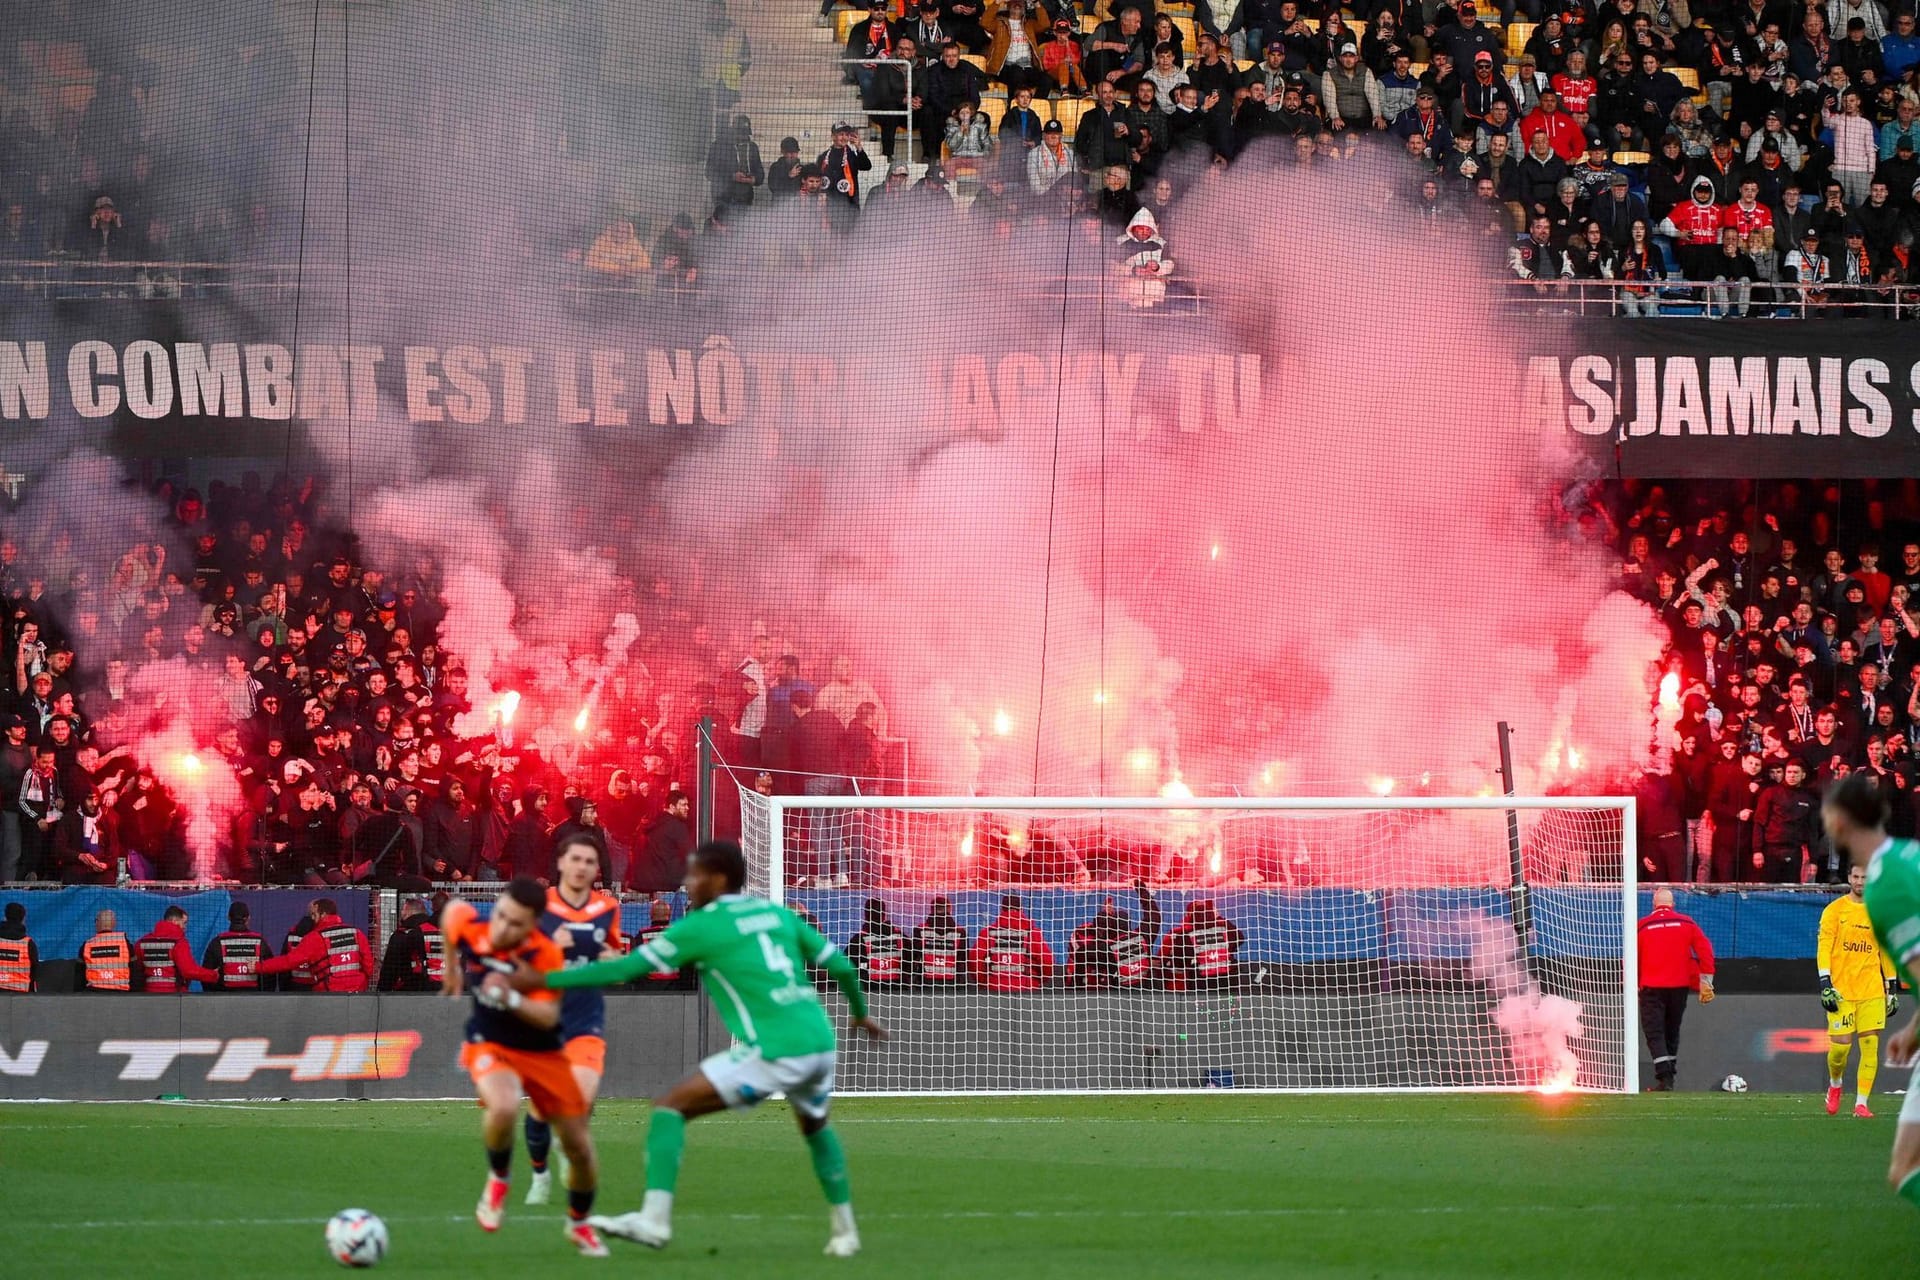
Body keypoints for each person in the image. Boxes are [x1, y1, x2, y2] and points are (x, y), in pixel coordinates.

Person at [509, 840, 886, 1257]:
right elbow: (842, 966)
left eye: (694, 875)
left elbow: (626, 968)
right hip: (820, 1042)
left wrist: (545, 981)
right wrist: (860, 1013)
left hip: (776, 1049)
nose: (687, 883)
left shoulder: (702, 926)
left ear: (718, 878)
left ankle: (653, 1220)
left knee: (669, 1108)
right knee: (816, 1129)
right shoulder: (777, 914)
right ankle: (845, 1231)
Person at [441, 878, 606, 1256]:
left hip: (543, 1052)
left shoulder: (544, 955)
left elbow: (548, 1017)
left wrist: (510, 995)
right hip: (491, 1042)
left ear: (532, 927)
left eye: (516, 924)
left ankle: (579, 1223)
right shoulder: (476, 928)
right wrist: (452, 966)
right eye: (501, 915)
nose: (503, 927)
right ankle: (499, 1180)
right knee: (503, 1106)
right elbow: (452, 912)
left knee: (580, 1149)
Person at [1823, 774, 1920, 1207]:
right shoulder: (1907, 854)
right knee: (1904, 1169)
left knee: (1904, 1170)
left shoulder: (1884, 888)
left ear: (1840, 821)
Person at [525, 834, 625, 1208]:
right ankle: (540, 1174)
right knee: (540, 1109)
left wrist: (613, 962)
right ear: (561, 863)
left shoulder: (606, 908)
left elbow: (615, 964)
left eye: (590, 861)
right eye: (576, 859)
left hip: (585, 1020)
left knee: (579, 1100)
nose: (583, 867)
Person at [1819, 860, 1900, 1117]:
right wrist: (1825, 984)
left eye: (1865, 878)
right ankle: (1835, 1085)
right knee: (1840, 1049)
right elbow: (1824, 948)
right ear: (1849, 878)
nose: (1860, 882)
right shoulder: (1834, 910)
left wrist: (1892, 987)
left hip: (1871, 990)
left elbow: (1885, 952)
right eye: (1856, 877)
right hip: (1842, 990)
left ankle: (1861, 1104)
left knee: (1870, 1045)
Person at [1635, 886, 1716, 1091]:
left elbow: (1630, 959)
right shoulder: (1687, 923)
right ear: (1673, 904)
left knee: (1655, 1032)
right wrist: (1706, 982)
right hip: (1679, 987)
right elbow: (1705, 950)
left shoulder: (1642, 926)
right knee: (1672, 1031)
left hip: (1651, 987)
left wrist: (1633, 986)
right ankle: (1668, 1076)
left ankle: (1665, 1077)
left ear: (1653, 905)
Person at [257, 897, 374, 991]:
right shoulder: (356, 933)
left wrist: (258, 966)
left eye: (314, 914)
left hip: (329, 993)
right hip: (357, 991)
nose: (312, 918)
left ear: (323, 914)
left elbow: (289, 961)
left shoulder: (316, 937)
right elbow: (368, 964)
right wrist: (362, 982)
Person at [1068, 881, 1161, 987]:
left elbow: (1081, 953)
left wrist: (1077, 983)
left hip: (1121, 995)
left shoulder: (1107, 948)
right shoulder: (1143, 936)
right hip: (1149, 993)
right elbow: (1154, 915)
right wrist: (1143, 891)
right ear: (1129, 923)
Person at [970, 892, 1054, 990]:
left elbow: (974, 960)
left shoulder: (987, 933)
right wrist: (1038, 980)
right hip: (1027, 990)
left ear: (1002, 909)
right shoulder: (1033, 934)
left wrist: (985, 982)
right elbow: (1047, 962)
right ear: (1021, 909)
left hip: (995, 988)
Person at [1157, 898, 1245, 989]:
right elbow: (1240, 939)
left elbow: (1179, 960)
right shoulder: (1224, 927)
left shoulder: (1187, 934)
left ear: (1189, 916)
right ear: (1212, 912)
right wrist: (1218, 917)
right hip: (1229, 981)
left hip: (1202, 985)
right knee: (1231, 1001)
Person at [1755, 759, 1818, 882]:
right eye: (1789, 772)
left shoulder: (1809, 799)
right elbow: (1759, 823)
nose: (1792, 775)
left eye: (1795, 772)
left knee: (1791, 891)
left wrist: (1813, 860)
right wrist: (1757, 851)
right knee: (1768, 892)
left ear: (1803, 775)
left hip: (1795, 852)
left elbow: (1812, 831)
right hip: (1771, 851)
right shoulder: (1770, 793)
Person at [135, 903, 218, 993]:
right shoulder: (179, 942)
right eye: (184, 923)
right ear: (175, 921)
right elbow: (188, 971)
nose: (185, 927)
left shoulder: (142, 943)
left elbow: (137, 970)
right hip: (175, 995)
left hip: (148, 994)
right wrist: (213, 974)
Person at [377, 895, 443, 992]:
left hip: (408, 990)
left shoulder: (402, 934)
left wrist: (382, 991)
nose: (402, 914)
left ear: (408, 911)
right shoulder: (437, 932)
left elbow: (390, 969)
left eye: (403, 910)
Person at [202, 901, 271, 991]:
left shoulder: (217, 942)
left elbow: (206, 975)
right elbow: (270, 973)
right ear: (248, 918)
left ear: (228, 918)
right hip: (255, 998)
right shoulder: (259, 941)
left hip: (224, 998)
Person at [845, 897, 909, 986]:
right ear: (884, 914)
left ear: (866, 914)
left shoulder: (858, 940)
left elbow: (847, 966)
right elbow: (911, 960)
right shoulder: (900, 936)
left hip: (870, 991)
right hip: (897, 989)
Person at [913, 896, 969, 985]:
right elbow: (964, 958)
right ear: (949, 909)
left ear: (932, 910)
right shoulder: (960, 932)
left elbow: (914, 956)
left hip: (925, 983)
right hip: (953, 984)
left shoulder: (919, 930)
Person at [80, 908, 130, 991]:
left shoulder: (87, 945)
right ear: (114, 923)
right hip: (121, 994)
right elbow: (134, 970)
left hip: (94, 993)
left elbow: (80, 975)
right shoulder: (125, 943)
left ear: (96, 922)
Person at [0, 900, 35, 992]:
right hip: (20, 992)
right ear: (23, 919)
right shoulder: (28, 943)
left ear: (5, 917)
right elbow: (35, 969)